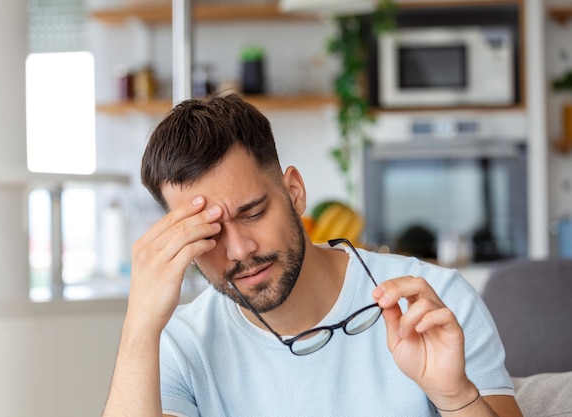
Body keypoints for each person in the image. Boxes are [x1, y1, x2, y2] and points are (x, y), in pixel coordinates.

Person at [102, 94, 523, 417]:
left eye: (253, 213)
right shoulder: (180, 345)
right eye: (207, 234)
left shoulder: (433, 302)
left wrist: (455, 397)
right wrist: (139, 325)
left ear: (294, 192)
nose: (239, 250)